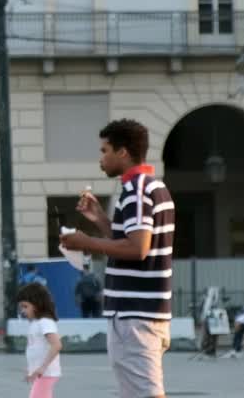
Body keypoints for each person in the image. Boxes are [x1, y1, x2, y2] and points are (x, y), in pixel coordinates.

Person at [61, 119, 174, 398]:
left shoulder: (136, 190)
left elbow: (138, 249)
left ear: (123, 152)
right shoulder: (153, 187)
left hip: (135, 313)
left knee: (146, 393)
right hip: (143, 312)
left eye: (104, 150)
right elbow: (130, 239)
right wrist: (100, 219)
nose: (101, 158)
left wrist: (84, 242)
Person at [18, 283, 63, 398]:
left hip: (46, 373)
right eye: (21, 307)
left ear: (37, 304)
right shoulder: (36, 323)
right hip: (41, 373)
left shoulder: (45, 322)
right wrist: (31, 370)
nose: (23, 311)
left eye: (25, 306)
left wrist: (43, 367)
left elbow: (57, 345)